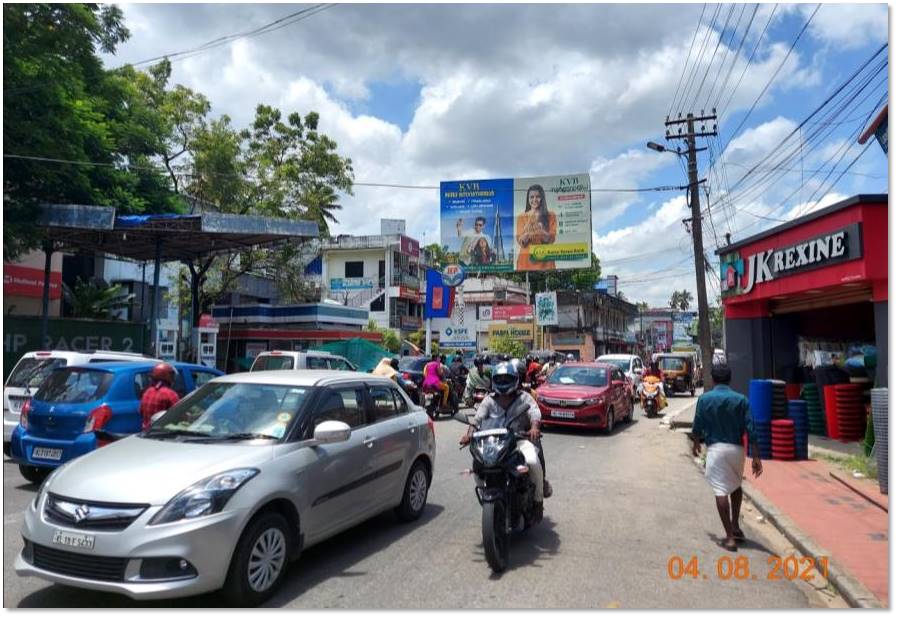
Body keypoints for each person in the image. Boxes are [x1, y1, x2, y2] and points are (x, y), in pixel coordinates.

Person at [459, 362, 552, 521]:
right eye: (499, 379)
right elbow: (477, 420)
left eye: (506, 379)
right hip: (494, 443)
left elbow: (534, 413)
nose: (503, 382)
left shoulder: (524, 397)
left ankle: (538, 501)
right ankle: (486, 492)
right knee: (478, 465)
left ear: (515, 379)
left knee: (533, 461)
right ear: (494, 380)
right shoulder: (489, 400)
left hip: (518, 441)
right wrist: (469, 434)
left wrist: (534, 427)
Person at [690, 364, 763, 552]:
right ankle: (735, 526)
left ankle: (730, 537)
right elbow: (751, 428)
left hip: (716, 449)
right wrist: (756, 456)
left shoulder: (705, 399)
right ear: (729, 379)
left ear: (713, 379)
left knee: (721, 489)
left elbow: (697, 424)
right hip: (737, 449)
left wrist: (696, 443)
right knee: (736, 485)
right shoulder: (742, 400)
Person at [515, 184, 557, 271]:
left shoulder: (551, 215)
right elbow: (521, 241)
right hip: (525, 261)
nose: (534, 200)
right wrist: (528, 229)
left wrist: (541, 230)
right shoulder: (521, 217)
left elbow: (550, 239)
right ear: (528, 199)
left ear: (542, 198)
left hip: (545, 260)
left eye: (537, 197)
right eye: (531, 197)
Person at [139, 363, 181, 431]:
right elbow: (179, 415)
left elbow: (141, 412)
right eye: (171, 375)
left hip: (146, 432)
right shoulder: (170, 394)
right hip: (163, 433)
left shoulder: (147, 392)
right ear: (167, 376)